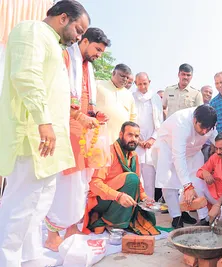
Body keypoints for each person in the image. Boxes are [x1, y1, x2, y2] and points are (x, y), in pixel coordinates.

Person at [0, 1, 90, 265]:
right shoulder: (32, 31)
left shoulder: (52, 44)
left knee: (37, 206)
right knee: (20, 206)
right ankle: (7, 260)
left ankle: (29, 258)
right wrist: (43, 122)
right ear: (63, 18)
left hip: (47, 141)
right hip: (33, 137)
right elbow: (26, 76)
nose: (78, 37)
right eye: (78, 29)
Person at [44, 27, 111, 252]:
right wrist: (79, 116)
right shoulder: (64, 58)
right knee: (65, 185)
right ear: (84, 41)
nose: (99, 55)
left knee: (81, 184)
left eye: (102, 52)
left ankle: (72, 228)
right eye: (97, 49)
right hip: (65, 130)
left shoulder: (88, 68)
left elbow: (85, 102)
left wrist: (93, 115)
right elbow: (55, 95)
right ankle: (52, 235)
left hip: (84, 134)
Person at [82, 121, 159, 235]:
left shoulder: (134, 156)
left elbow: (137, 183)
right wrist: (118, 196)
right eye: (130, 135)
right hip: (100, 200)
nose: (133, 139)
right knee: (131, 178)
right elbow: (94, 183)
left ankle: (112, 220)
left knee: (148, 216)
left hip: (116, 198)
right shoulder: (109, 152)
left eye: (136, 136)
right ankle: (109, 221)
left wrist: (144, 198)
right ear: (121, 135)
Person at [153, 105, 218, 228]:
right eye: (202, 128)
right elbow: (179, 156)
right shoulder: (181, 123)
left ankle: (203, 217)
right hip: (169, 148)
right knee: (170, 183)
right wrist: (187, 186)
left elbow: (217, 140)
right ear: (194, 120)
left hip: (194, 151)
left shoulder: (210, 124)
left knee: (198, 180)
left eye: (208, 129)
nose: (204, 132)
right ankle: (176, 216)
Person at [132, 72, 163, 199]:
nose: (142, 86)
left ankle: (149, 208)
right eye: (139, 84)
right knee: (136, 177)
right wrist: (138, 140)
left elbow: (160, 121)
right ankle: (135, 208)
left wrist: (152, 138)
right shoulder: (131, 97)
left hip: (151, 143)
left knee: (150, 179)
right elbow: (130, 119)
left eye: (145, 83)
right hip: (135, 142)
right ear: (135, 83)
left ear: (149, 82)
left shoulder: (155, 98)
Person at [96, 63, 137, 142]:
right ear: (113, 73)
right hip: (98, 137)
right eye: (122, 76)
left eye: (127, 77)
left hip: (120, 141)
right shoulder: (98, 85)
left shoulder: (129, 95)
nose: (125, 79)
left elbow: (133, 117)